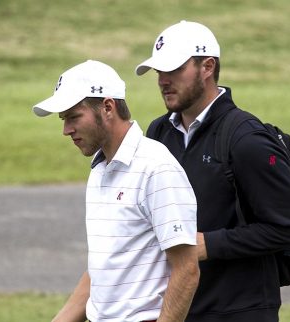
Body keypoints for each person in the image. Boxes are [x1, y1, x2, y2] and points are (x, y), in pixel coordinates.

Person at [135, 21, 290, 322]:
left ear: (207, 67)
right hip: (180, 307)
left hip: (240, 311)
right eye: (158, 71)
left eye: (174, 69)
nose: (163, 80)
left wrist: (209, 245)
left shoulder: (246, 139)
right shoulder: (159, 132)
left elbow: (289, 226)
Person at [33, 59, 199, 322]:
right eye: (63, 120)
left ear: (108, 107)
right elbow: (104, 269)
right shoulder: (100, 170)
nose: (66, 130)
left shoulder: (156, 167)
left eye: (74, 117)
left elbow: (186, 268)